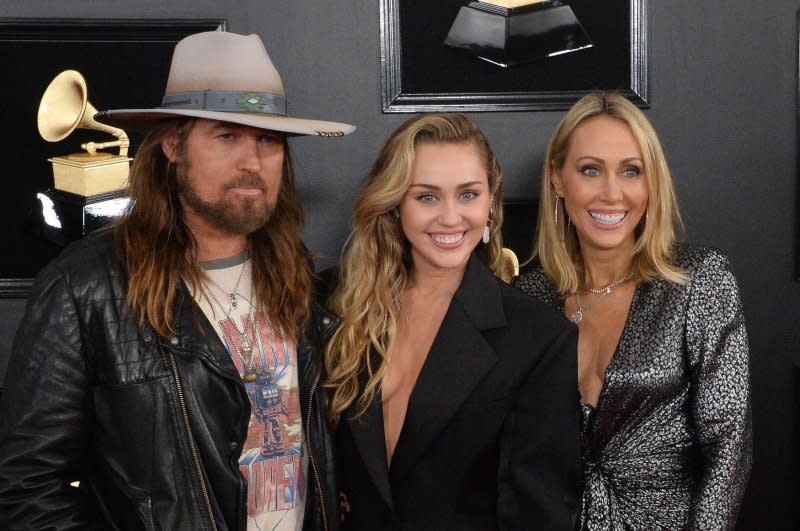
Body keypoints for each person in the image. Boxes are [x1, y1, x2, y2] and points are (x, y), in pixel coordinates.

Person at [0, 31, 354, 530]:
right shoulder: (85, 287)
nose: (252, 162)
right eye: (226, 136)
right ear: (172, 145)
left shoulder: (295, 274)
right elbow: (26, 489)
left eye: (268, 140)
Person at [323, 113, 581, 529]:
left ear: (491, 204)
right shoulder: (335, 307)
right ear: (395, 203)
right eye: (426, 196)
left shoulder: (539, 338)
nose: (450, 217)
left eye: (468, 195)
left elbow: (538, 516)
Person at [513, 92, 752, 529]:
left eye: (631, 171)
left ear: (650, 183)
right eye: (590, 170)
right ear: (557, 179)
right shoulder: (527, 296)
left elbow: (728, 447)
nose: (612, 193)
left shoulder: (697, 280)